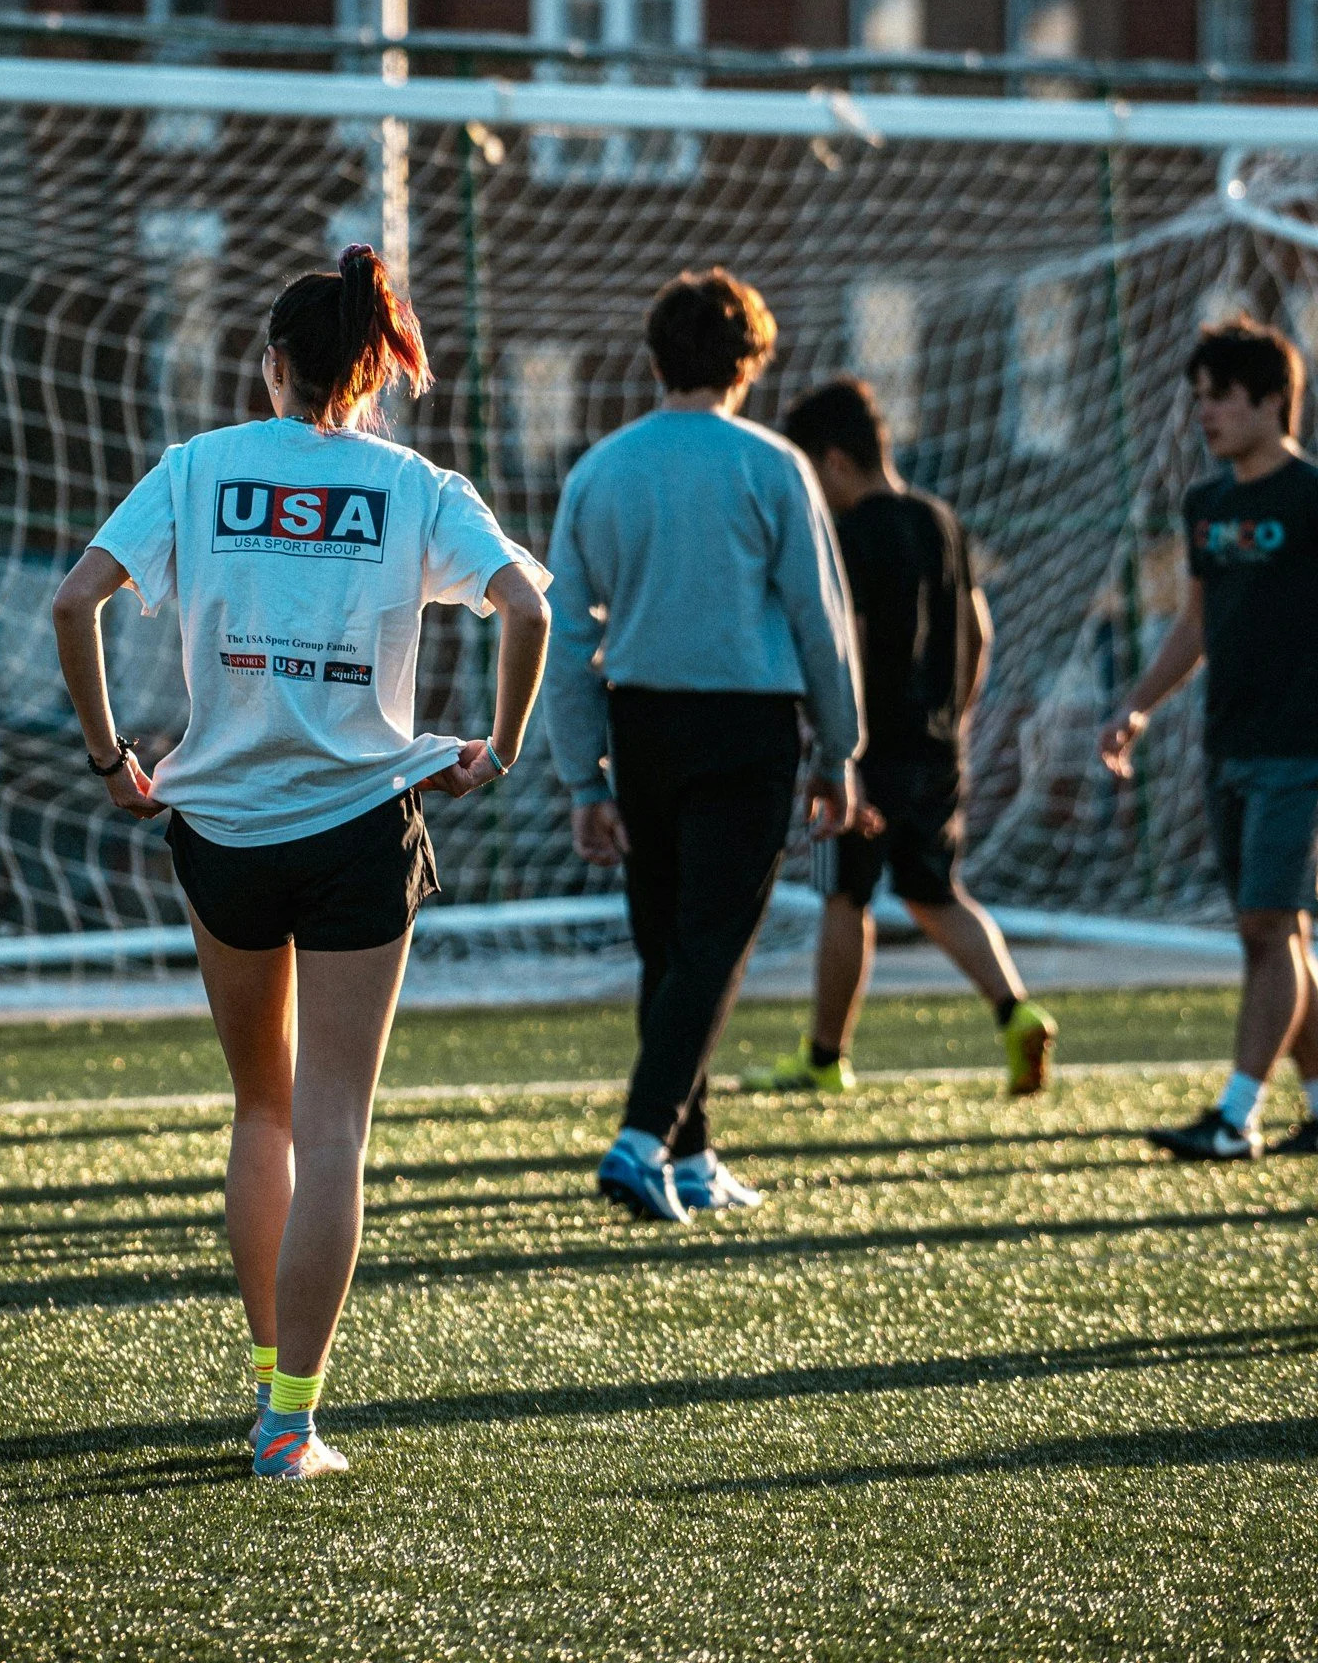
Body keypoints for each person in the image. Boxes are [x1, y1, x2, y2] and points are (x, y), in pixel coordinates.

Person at [53, 245, 548, 1482]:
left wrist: (115, 761)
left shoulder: (196, 468)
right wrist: (496, 751)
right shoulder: (415, 482)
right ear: (372, 370)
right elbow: (531, 611)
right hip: (357, 827)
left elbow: (73, 605)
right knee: (335, 1126)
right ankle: (289, 1419)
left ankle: (271, 1376)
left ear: (270, 362)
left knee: (261, 1108)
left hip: (215, 826)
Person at [544, 268, 861, 1222]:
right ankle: (641, 1141)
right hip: (744, 727)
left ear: (653, 360)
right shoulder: (772, 466)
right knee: (714, 945)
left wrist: (580, 774)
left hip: (640, 726)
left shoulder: (600, 468)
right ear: (751, 362)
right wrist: (840, 749)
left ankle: (691, 1158)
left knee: (669, 947)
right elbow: (820, 621)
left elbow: (565, 629)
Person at [1097, 316, 1318, 1162]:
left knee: (1263, 927)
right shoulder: (1206, 505)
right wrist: (1137, 704)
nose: (1205, 415)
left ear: (1271, 402)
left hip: (1307, 745)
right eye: (1199, 399)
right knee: (1277, 934)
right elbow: (1197, 623)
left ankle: (1234, 1117)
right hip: (1228, 743)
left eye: (1220, 399)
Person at [746, 375, 1057, 1096]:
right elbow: (979, 627)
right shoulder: (940, 520)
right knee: (934, 889)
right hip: (940, 744)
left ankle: (825, 1058)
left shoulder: (852, 534)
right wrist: (960, 714)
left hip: (867, 752)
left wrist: (830, 746)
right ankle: (1016, 1010)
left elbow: (842, 642)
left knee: (843, 898)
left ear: (832, 461)